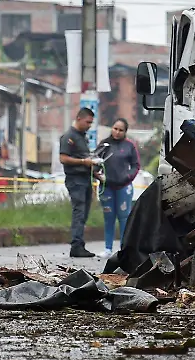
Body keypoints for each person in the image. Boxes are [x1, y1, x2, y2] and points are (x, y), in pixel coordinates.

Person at [59, 108, 103, 259]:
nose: (89, 125)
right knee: (79, 211)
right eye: (87, 122)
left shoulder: (83, 138)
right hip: (75, 180)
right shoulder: (69, 137)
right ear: (79, 118)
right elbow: (63, 158)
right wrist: (84, 161)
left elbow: (86, 161)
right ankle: (76, 246)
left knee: (84, 213)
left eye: (91, 123)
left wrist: (96, 173)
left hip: (86, 178)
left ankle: (80, 244)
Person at [96, 118, 141, 256]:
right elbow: (94, 162)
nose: (117, 132)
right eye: (115, 128)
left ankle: (123, 249)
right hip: (106, 187)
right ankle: (108, 248)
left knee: (124, 218)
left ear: (125, 132)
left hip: (124, 187)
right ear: (112, 128)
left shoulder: (129, 146)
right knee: (108, 217)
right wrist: (97, 175)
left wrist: (127, 177)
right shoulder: (104, 144)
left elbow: (136, 165)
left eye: (121, 130)